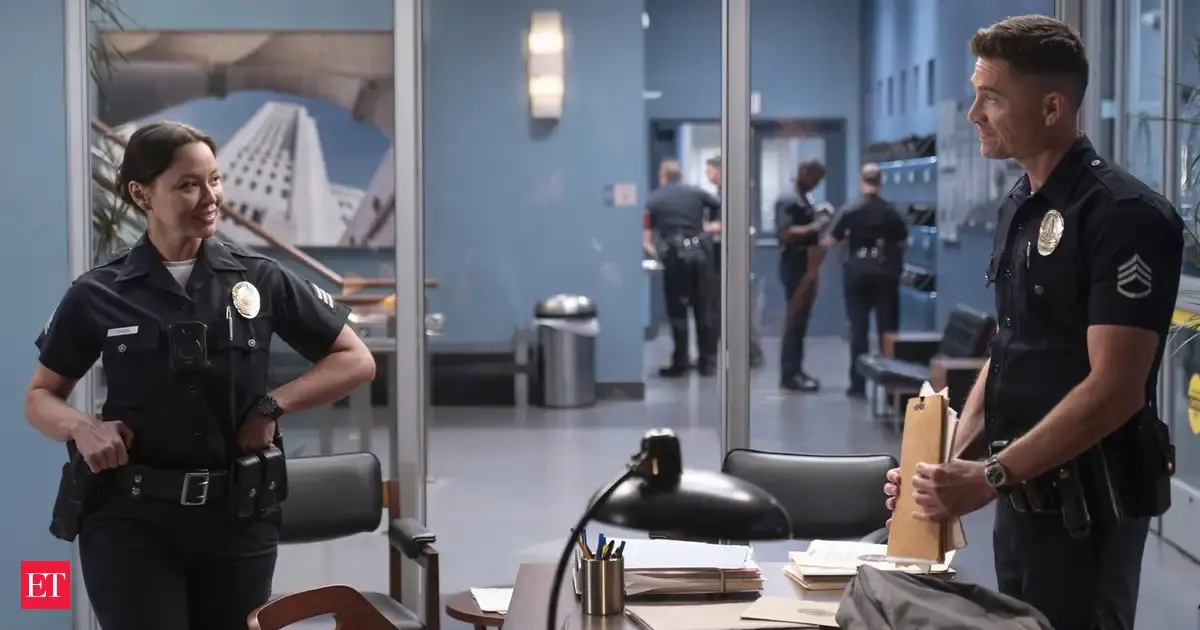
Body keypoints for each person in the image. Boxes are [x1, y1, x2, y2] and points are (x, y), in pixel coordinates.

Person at [881, 16, 1182, 629]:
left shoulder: (1124, 216)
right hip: (1022, 495)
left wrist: (989, 476)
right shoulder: (1019, 204)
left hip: (1089, 508)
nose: (974, 114)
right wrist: (945, 467)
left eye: (991, 97)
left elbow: (1116, 388)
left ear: (1052, 107)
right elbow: (1010, 346)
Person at [25, 121, 378, 630]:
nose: (210, 198)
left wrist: (271, 406)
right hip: (131, 519)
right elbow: (40, 395)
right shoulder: (98, 292)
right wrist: (82, 427)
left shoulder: (259, 277)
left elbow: (356, 359)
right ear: (142, 194)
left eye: (214, 180)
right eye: (188, 185)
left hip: (237, 517)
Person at [823, 163, 908, 398]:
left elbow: (831, 239)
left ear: (861, 180)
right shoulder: (891, 212)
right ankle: (891, 389)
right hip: (885, 275)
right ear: (880, 181)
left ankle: (857, 385)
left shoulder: (850, 210)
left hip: (857, 274)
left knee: (858, 331)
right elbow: (902, 242)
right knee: (887, 331)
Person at [644, 158, 720, 377]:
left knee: (677, 311)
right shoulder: (696, 192)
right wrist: (711, 226)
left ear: (662, 176)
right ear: (680, 175)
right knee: (705, 309)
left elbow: (647, 238)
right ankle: (708, 362)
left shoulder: (654, 199)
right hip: (699, 250)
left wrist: (657, 253)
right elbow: (721, 205)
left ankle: (681, 362)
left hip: (674, 255)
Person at [701, 154, 765, 368]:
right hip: (726, 258)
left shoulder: (732, 194)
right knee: (726, 307)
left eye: (709, 171)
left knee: (733, 307)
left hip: (731, 260)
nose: (707, 175)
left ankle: (750, 352)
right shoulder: (723, 194)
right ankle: (743, 351)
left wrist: (709, 227)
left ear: (719, 170)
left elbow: (733, 221)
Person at [775, 159, 833, 392]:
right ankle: (789, 374)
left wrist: (818, 216)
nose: (816, 184)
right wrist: (817, 224)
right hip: (795, 263)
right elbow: (786, 232)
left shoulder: (802, 196)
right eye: (815, 179)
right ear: (804, 173)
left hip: (805, 263)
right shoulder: (789, 198)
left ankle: (796, 369)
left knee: (800, 321)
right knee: (795, 319)